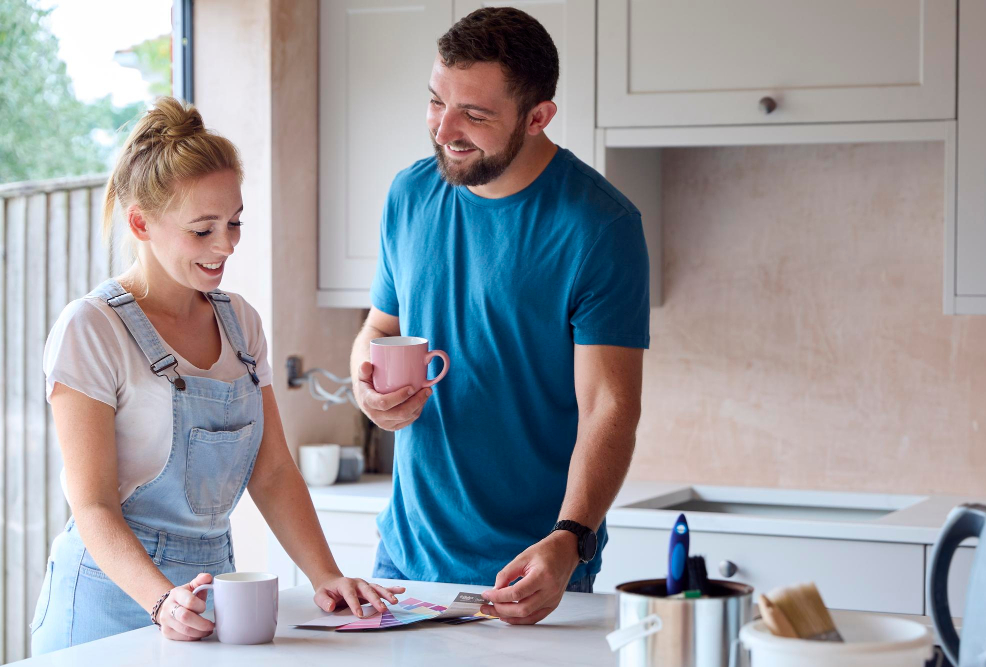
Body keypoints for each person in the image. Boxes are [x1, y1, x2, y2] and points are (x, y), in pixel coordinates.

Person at [30, 97, 403, 654]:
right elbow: (93, 506)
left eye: (233, 223)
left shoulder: (241, 323)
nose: (226, 245)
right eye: (202, 230)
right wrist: (160, 600)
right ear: (140, 223)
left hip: (207, 596)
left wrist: (327, 575)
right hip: (108, 604)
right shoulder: (91, 328)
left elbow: (273, 471)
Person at [350, 7, 649, 625]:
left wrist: (572, 539)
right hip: (402, 565)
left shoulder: (599, 227)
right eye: (436, 102)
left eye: (475, 115)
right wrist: (366, 385)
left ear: (538, 117)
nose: (444, 130)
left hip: (530, 574)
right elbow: (380, 328)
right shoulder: (409, 194)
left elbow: (609, 406)